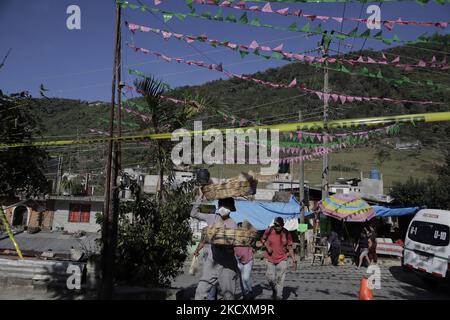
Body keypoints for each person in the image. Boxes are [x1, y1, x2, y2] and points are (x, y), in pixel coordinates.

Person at [191, 195, 239, 300]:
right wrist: (200, 197)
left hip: (227, 265)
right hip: (212, 262)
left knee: (229, 296)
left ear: (230, 209)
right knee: (200, 292)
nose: (224, 207)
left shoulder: (233, 224)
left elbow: (233, 245)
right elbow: (193, 213)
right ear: (219, 205)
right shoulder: (211, 217)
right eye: (222, 205)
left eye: (226, 206)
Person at [261, 217, 297, 300]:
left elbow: (289, 247)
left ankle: (279, 296)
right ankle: (274, 290)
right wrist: (267, 246)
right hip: (270, 258)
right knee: (270, 278)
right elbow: (263, 239)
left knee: (280, 279)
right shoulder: (269, 230)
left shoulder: (286, 233)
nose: (276, 227)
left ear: (282, 225)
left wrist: (294, 260)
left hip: (282, 259)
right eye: (275, 225)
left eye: (278, 225)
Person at [234, 222, 254, 300]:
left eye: (241, 227)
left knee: (246, 278)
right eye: (238, 227)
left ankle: (250, 291)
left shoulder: (248, 235)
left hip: (248, 259)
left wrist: (248, 226)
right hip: (238, 260)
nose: (240, 229)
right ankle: (245, 295)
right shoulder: (234, 237)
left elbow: (254, 232)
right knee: (242, 279)